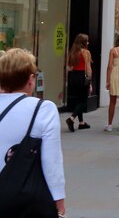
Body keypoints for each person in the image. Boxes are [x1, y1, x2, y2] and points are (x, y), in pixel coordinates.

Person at [0, 49, 66, 217]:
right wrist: (58, 200)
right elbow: (51, 160)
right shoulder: (43, 109)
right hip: (21, 198)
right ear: (30, 80)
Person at [65, 33, 92, 132]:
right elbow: (88, 68)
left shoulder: (72, 52)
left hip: (73, 76)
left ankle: (81, 123)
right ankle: (71, 118)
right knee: (83, 101)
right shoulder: (86, 52)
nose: (88, 42)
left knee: (79, 99)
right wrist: (90, 80)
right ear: (83, 42)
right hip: (82, 76)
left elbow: (68, 68)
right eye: (87, 41)